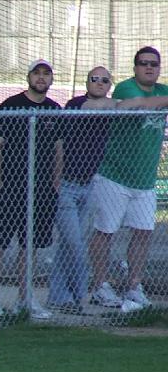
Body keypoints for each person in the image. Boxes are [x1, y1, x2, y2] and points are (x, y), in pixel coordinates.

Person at [86, 46, 168, 313]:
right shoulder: (125, 88)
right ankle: (100, 285)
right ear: (135, 67)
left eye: (154, 64)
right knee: (105, 231)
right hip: (115, 176)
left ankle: (134, 286)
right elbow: (142, 105)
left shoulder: (163, 91)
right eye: (143, 64)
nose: (149, 68)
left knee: (144, 232)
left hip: (145, 180)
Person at [0, 59, 62, 321]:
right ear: (28, 77)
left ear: (51, 79)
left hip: (40, 191)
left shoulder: (54, 110)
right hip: (12, 187)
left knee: (30, 247)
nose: (41, 78)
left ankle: (25, 299)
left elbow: (59, 150)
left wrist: (55, 184)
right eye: (37, 73)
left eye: (46, 74)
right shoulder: (11, 105)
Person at [46, 66, 112, 313]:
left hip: (89, 185)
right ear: (87, 83)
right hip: (66, 186)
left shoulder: (110, 110)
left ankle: (58, 297)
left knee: (68, 244)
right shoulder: (77, 104)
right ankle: (81, 297)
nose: (99, 83)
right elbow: (98, 107)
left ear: (109, 85)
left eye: (105, 80)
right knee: (74, 244)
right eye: (95, 79)